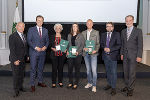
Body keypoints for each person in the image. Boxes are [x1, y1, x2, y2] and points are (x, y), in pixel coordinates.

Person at [120, 15, 143, 96]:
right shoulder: (123, 31)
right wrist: (122, 53)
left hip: (134, 56)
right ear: (125, 21)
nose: (128, 22)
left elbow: (140, 45)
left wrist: (139, 56)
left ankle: (130, 89)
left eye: (130, 20)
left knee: (132, 73)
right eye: (127, 20)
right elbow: (122, 44)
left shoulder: (138, 31)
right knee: (125, 73)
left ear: (133, 21)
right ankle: (127, 85)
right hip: (125, 56)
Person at [27, 15, 49, 92]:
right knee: (33, 69)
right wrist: (36, 47)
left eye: (41, 20)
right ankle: (32, 84)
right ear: (36, 21)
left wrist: (45, 47)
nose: (40, 22)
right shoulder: (31, 29)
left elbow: (47, 41)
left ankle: (40, 82)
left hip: (42, 53)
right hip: (34, 52)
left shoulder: (45, 30)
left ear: (43, 22)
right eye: (38, 20)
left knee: (40, 68)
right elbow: (29, 41)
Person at [101, 22, 121, 96]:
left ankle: (113, 87)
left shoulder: (117, 34)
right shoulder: (103, 35)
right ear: (106, 27)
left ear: (113, 27)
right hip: (105, 56)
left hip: (113, 56)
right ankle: (109, 84)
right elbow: (101, 44)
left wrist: (110, 49)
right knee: (108, 71)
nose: (108, 28)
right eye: (107, 26)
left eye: (110, 26)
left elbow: (119, 45)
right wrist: (104, 48)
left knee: (113, 72)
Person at [9, 22, 28, 97]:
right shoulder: (12, 36)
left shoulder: (24, 35)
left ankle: (20, 87)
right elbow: (12, 50)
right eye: (20, 26)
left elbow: (25, 47)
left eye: (23, 26)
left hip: (22, 59)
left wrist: (27, 55)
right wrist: (15, 60)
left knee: (21, 74)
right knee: (16, 75)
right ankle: (15, 91)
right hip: (16, 60)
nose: (21, 28)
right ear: (16, 27)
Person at [82, 19, 100, 93]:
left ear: (92, 24)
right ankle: (89, 83)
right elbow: (82, 43)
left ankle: (94, 85)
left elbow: (98, 43)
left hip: (93, 54)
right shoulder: (83, 33)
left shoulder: (96, 32)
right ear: (86, 24)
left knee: (94, 70)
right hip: (86, 54)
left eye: (90, 23)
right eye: (87, 23)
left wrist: (95, 50)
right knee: (88, 70)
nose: (89, 24)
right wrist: (83, 48)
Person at [67, 23, 85, 89]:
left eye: (76, 26)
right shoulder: (69, 35)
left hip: (78, 55)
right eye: (73, 26)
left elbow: (82, 45)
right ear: (72, 27)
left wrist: (78, 51)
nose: (74, 27)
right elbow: (68, 45)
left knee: (77, 69)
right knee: (70, 68)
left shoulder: (81, 35)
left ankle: (76, 83)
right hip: (71, 55)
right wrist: (67, 51)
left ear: (78, 28)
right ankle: (70, 82)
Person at [49, 23, 66, 88]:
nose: (58, 29)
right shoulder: (52, 36)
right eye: (56, 28)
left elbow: (66, 45)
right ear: (55, 29)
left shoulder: (64, 36)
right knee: (54, 69)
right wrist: (52, 48)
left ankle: (60, 81)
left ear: (61, 29)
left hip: (62, 55)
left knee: (60, 69)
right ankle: (53, 82)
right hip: (54, 55)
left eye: (59, 28)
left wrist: (65, 49)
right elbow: (49, 45)